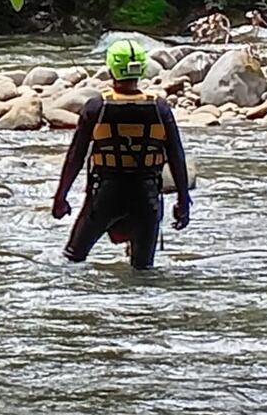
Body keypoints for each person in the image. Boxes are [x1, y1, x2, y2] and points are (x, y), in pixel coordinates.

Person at [51, 39, 192, 269]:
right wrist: (183, 201)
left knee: (72, 260)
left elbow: (75, 157)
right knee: (143, 270)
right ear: (143, 69)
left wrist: (60, 198)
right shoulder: (160, 108)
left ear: (111, 69)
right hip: (146, 198)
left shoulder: (96, 107)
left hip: (105, 196)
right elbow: (177, 157)